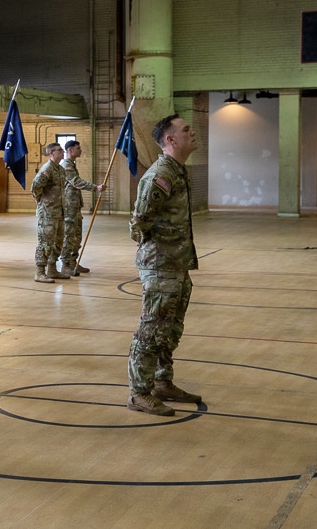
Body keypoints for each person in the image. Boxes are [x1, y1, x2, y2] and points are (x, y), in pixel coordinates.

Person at [127, 114, 201, 417]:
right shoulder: (161, 175)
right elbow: (138, 223)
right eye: (185, 130)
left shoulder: (178, 171)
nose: (192, 133)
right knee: (152, 327)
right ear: (170, 140)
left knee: (169, 327)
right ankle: (138, 392)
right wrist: (158, 253)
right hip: (160, 264)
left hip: (176, 262)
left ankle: (161, 381)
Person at [59, 140, 106, 276]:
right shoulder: (66, 165)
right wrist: (95, 187)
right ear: (70, 150)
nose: (80, 150)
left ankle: (73, 262)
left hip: (75, 206)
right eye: (78, 148)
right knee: (69, 235)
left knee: (77, 235)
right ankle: (66, 264)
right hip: (68, 206)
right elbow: (76, 182)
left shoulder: (72, 164)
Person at [31, 143, 68, 283]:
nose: (62, 152)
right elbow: (35, 187)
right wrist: (41, 201)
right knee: (45, 243)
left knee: (58, 242)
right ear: (51, 153)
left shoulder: (60, 169)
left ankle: (52, 269)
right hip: (48, 213)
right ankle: (40, 272)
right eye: (59, 150)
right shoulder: (47, 169)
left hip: (59, 211)